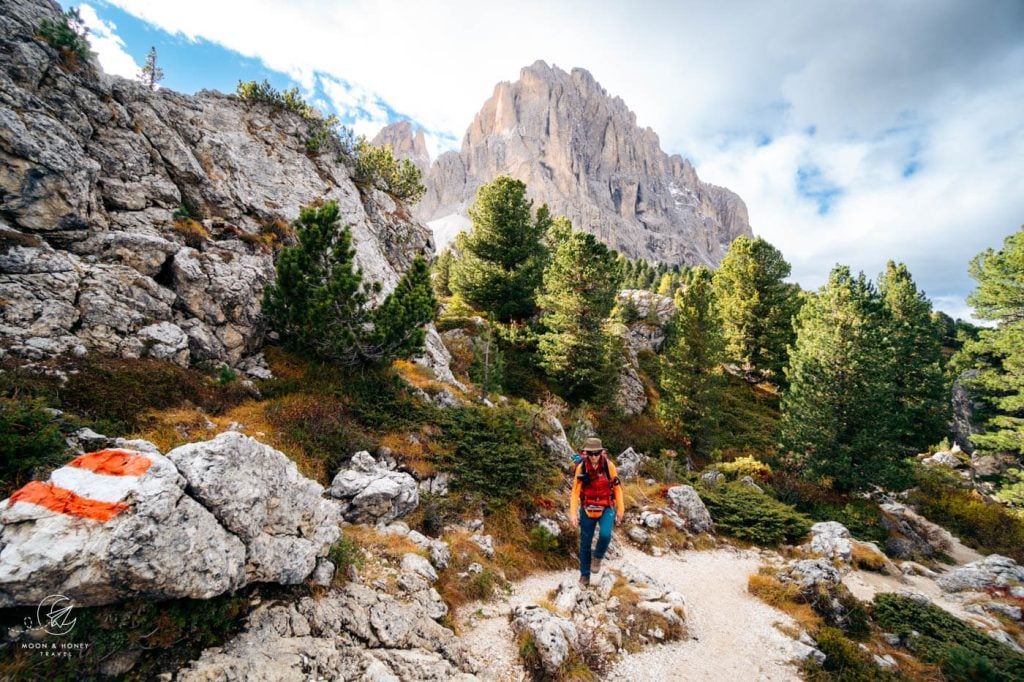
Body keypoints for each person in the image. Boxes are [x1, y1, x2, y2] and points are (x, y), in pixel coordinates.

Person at [569, 437, 624, 586]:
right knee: (585, 543)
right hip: (587, 508)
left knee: (606, 535)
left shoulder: (609, 466)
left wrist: (621, 509)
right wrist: (573, 513)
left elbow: (617, 487)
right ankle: (584, 576)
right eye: (591, 453)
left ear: (601, 452)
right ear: (586, 453)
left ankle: (598, 557)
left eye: (597, 453)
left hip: (606, 506)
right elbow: (575, 492)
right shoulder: (581, 468)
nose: (594, 456)